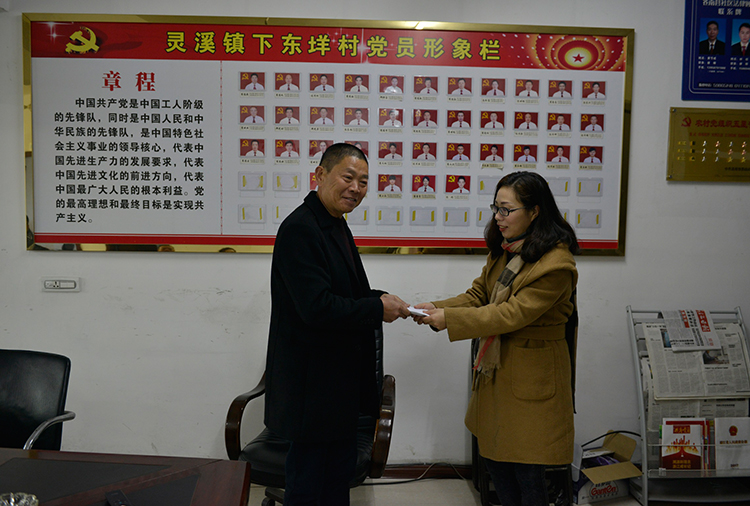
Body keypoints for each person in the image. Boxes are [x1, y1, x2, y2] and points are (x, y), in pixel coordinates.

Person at [412, 170, 579, 506]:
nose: (498, 217)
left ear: (534, 212)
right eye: (496, 208)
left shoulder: (557, 264)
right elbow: (479, 295)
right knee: (496, 463)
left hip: (532, 377)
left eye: (506, 210)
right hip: (498, 372)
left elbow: (509, 314)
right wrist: (437, 307)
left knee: (528, 472)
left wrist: (449, 320)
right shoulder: (506, 250)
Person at [265, 143, 410, 506]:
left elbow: (346, 291)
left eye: (363, 181)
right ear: (320, 175)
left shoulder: (335, 224)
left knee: (335, 483)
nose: (356, 188)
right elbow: (317, 307)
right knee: (308, 485)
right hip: (312, 388)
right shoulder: (301, 228)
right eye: (348, 177)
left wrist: (383, 299)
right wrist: (376, 308)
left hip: (338, 387)